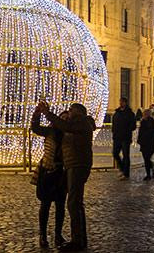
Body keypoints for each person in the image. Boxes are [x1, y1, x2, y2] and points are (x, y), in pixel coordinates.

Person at [42, 102, 96, 252]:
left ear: (78, 112)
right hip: (74, 164)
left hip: (77, 164)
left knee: (73, 203)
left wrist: (48, 114)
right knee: (76, 202)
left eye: (71, 110)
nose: (69, 112)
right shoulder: (77, 124)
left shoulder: (81, 123)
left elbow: (66, 127)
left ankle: (77, 240)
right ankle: (80, 238)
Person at [31, 103, 68, 249]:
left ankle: (58, 235)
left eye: (66, 119)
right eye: (62, 118)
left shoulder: (69, 134)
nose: (63, 120)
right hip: (47, 171)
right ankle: (43, 234)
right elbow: (35, 128)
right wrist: (37, 114)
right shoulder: (50, 131)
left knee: (60, 206)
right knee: (45, 205)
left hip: (62, 174)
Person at [111, 97, 136, 181]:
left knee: (126, 156)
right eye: (120, 102)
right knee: (115, 153)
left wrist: (126, 130)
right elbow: (114, 124)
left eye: (122, 102)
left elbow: (133, 126)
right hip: (117, 137)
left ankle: (126, 173)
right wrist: (114, 132)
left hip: (125, 137)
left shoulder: (130, 113)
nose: (120, 103)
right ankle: (122, 168)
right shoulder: (117, 113)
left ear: (125, 103)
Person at [137, 107, 154, 180]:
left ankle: (149, 173)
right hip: (144, 143)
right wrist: (139, 140)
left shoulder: (153, 122)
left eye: (146, 113)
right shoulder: (142, 122)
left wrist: (152, 139)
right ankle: (149, 172)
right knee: (146, 159)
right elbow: (140, 132)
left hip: (151, 143)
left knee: (147, 158)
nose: (145, 115)